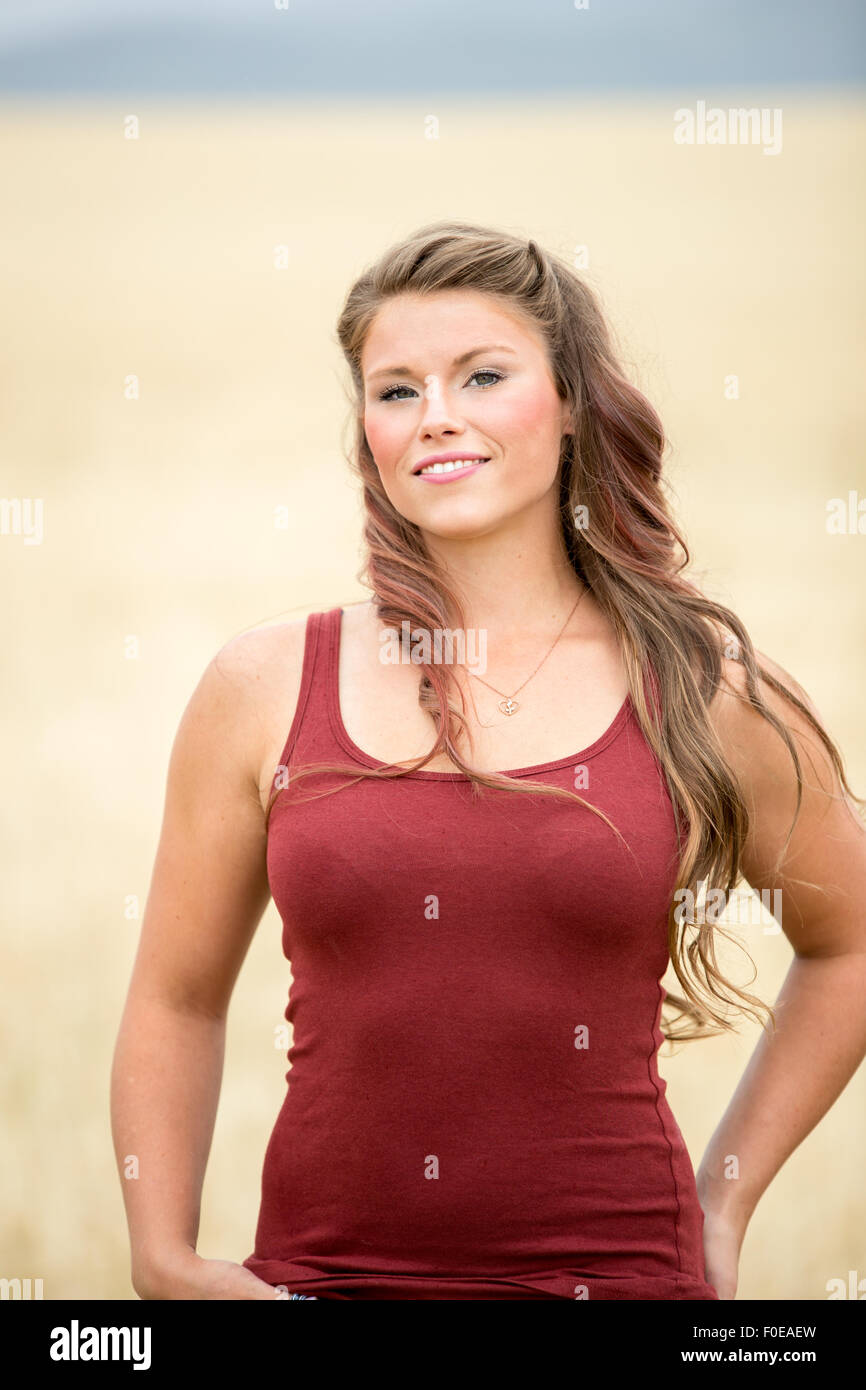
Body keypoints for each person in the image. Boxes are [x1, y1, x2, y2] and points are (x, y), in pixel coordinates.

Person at [110, 221, 866, 1301]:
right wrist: (164, 1259)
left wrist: (723, 1196)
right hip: (314, 1286)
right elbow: (176, 997)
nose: (438, 418)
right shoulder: (261, 684)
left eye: (481, 375)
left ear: (569, 402)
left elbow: (848, 940)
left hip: (616, 1282)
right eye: (397, 390)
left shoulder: (702, 688)